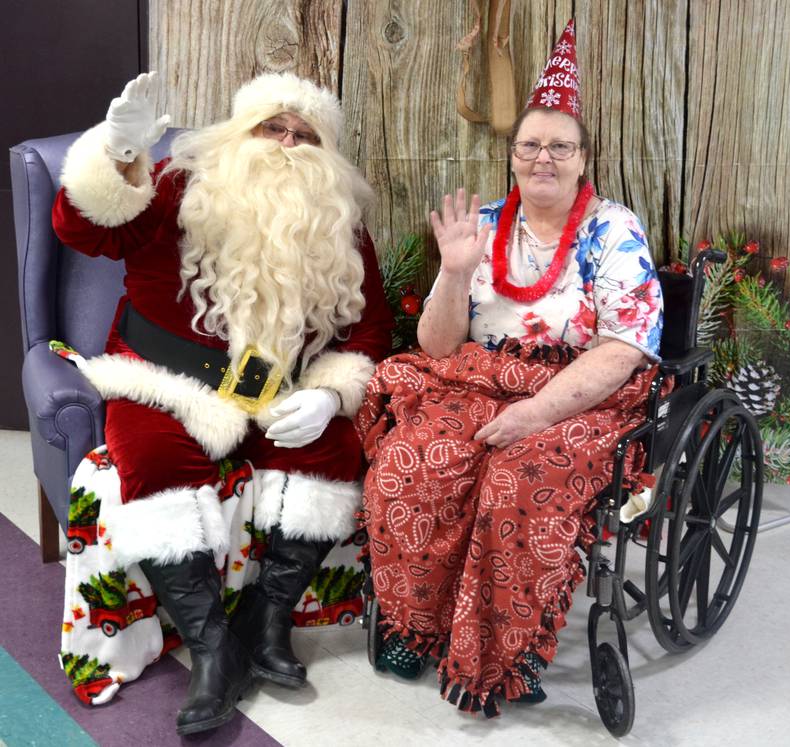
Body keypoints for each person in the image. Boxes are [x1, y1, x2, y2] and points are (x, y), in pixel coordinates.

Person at [52, 70, 393, 735]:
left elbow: (371, 325)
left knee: (335, 448)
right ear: (240, 132)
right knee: (148, 456)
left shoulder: (337, 225)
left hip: (272, 390)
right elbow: (87, 232)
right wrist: (120, 152)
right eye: (273, 126)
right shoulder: (183, 187)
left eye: (305, 135)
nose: (287, 144)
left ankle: (266, 627)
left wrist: (329, 392)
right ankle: (211, 648)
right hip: (163, 381)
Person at [356, 19, 665, 717]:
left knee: (515, 481)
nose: (543, 157)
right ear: (514, 155)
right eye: (531, 145)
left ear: (584, 159)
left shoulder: (613, 229)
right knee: (412, 459)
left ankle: (503, 649)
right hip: (479, 376)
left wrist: (533, 413)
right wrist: (454, 275)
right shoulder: (487, 222)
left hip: (582, 390)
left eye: (560, 146)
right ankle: (415, 623)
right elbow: (438, 347)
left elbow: (623, 348)